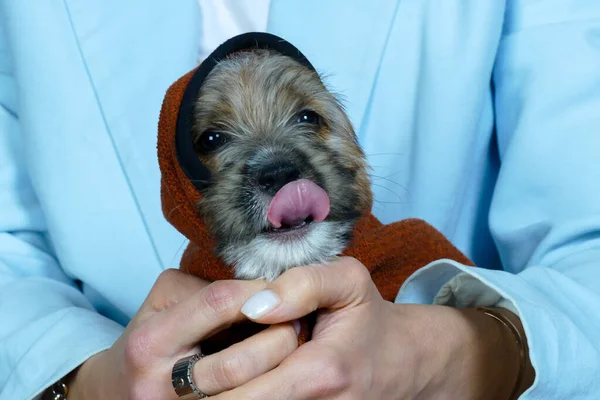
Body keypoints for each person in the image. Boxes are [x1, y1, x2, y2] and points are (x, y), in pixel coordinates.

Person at [1, 1, 599, 399]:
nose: (275, 164)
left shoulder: (407, 250)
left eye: (308, 119)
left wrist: (456, 356)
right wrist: (82, 381)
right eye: (212, 139)